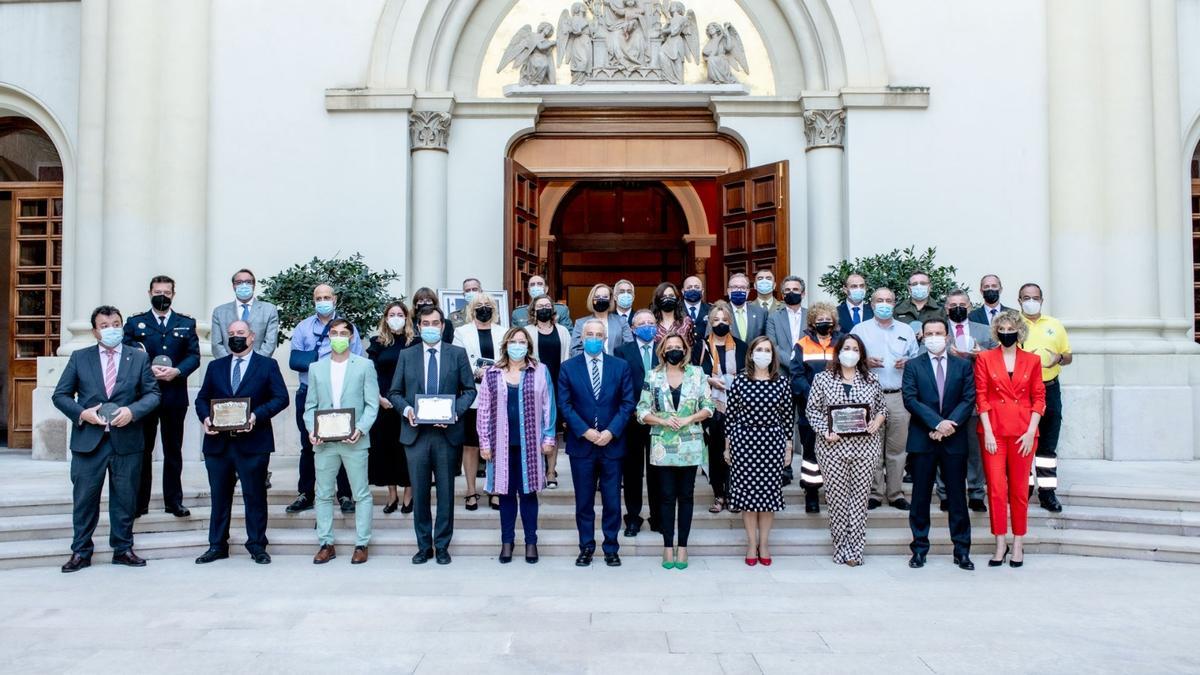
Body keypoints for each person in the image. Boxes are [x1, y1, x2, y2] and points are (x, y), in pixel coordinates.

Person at [53, 306, 161, 573]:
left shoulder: (137, 358)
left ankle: (123, 549)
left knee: (125, 499)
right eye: (104, 325)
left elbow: (153, 395)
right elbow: (61, 395)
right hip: (89, 442)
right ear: (95, 331)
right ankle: (81, 551)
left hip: (127, 442)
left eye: (115, 323)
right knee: (85, 500)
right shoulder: (80, 358)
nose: (111, 328)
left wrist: (132, 411)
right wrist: (83, 414)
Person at [387, 305, 477, 565]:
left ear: (442, 326)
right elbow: (394, 393)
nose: (430, 327)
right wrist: (406, 410)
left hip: (447, 435)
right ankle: (424, 546)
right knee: (421, 492)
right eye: (425, 323)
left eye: (435, 323)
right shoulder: (407, 355)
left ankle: (443, 545)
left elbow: (469, 391)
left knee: (446, 493)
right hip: (416, 434)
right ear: (418, 327)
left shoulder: (457, 354)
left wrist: (453, 413)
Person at [193, 320, 289, 565]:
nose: (236, 337)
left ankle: (257, 545)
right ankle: (217, 545)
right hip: (218, 445)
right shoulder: (215, 367)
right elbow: (202, 399)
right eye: (232, 333)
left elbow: (281, 398)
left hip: (253, 443)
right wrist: (205, 418)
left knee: (255, 496)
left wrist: (256, 415)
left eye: (241, 333)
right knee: (219, 497)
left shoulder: (267, 365)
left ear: (252, 336)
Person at [558, 317, 636, 567]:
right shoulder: (568, 367)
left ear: (605, 339)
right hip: (582, 445)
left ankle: (611, 548)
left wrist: (611, 431)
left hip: (612, 444)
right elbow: (565, 404)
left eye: (597, 335)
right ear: (582, 338)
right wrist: (585, 431)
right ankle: (586, 547)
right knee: (584, 501)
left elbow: (627, 403)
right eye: (588, 334)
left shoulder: (620, 366)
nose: (593, 339)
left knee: (612, 500)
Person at [805, 334, 887, 567]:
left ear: (861, 354)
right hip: (832, 448)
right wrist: (825, 430)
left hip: (865, 448)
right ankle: (840, 546)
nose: (850, 352)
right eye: (846, 348)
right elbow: (812, 411)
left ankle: (855, 549)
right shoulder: (823, 379)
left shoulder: (871, 379)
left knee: (859, 500)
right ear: (838, 351)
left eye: (855, 349)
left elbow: (882, 408)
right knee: (837, 499)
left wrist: (877, 422)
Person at [902, 318, 977, 571]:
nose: (934, 337)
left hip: (954, 440)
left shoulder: (963, 365)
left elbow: (969, 399)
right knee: (921, 497)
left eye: (939, 332)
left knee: (957, 496)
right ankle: (919, 549)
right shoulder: (913, 366)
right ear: (922, 337)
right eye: (929, 333)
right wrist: (936, 424)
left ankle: (962, 550)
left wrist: (949, 425)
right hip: (923, 439)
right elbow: (911, 399)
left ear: (948, 336)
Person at [476, 328, 557, 564]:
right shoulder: (492, 373)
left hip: (530, 445)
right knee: (506, 495)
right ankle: (507, 542)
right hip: (501, 445)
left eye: (522, 342)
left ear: (528, 346)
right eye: (514, 341)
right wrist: (484, 442)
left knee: (529, 494)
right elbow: (483, 411)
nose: (518, 345)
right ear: (506, 345)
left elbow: (548, 406)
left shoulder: (540, 371)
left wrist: (549, 438)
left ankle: (531, 542)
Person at [123, 275, 200, 519]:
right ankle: (139, 502)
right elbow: (126, 351)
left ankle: (173, 502)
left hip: (174, 395)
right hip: (144, 396)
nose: (162, 296)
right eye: (158, 292)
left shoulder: (185, 323)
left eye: (167, 292)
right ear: (149, 293)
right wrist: (147, 369)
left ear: (173, 295)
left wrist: (178, 371)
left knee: (173, 451)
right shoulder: (136, 323)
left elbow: (194, 355)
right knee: (143, 450)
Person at [304, 318, 379, 565]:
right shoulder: (316, 368)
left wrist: (361, 428)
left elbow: (371, 404)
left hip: (354, 440)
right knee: (323, 494)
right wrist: (311, 429)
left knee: (361, 493)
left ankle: (362, 543)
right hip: (324, 442)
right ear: (328, 337)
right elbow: (310, 406)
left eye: (343, 333)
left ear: (351, 337)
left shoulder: (365, 366)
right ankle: (326, 543)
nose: (338, 337)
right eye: (333, 333)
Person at [637, 333, 714, 569]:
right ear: (662, 351)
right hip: (662, 446)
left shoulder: (697, 374)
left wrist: (689, 418)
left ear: (685, 349)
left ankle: (683, 547)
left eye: (678, 346)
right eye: (669, 347)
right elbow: (641, 411)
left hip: (690, 444)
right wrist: (661, 421)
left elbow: (709, 406)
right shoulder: (653, 375)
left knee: (686, 496)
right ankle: (667, 546)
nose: (674, 350)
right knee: (666, 497)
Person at [975, 310, 1045, 568]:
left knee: (1018, 490)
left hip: (1024, 432)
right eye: (1002, 330)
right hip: (993, 431)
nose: (1006, 334)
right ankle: (999, 542)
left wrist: (1030, 431)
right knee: (995, 489)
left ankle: (1018, 542)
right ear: (996, 331)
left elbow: (1039, 397)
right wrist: (989, 432)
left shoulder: (1033, 360)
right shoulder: (985, 358)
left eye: (1010, 329)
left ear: (1019, 331)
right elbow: (981, 396)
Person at [285, 284, 360, 515]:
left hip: (340, 394)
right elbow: (295, 359)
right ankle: (306, 493)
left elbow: (357, 360)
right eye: (319, 298)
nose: (323, 301)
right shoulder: (303, 327)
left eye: (327, 297)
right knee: (309, 444)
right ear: (313, 300)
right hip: (310, 392)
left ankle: (345, 494)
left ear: (335, 299)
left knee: (344, 443)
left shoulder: (348, 328)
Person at [850, 287, 918, 511]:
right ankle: (875, 493)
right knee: (872, 448)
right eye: (880, 300)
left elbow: (917, 360)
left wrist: (908, 362)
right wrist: (864, 362)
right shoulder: (860, 329)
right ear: (871, 304)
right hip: (869, 396)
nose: (884, 304)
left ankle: (896, 493)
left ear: (895, 303)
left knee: (897, 449)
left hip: (898, 396)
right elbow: (848, 360)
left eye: (889, 300)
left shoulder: (906, 330)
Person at [725, 336, 791, 566]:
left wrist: (788, 448)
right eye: (759, 349)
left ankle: (764, 543)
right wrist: (728, 446)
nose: (763, 353)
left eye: (767, 350)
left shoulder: (781, 382)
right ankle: (751, 543)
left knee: (768, 498)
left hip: (772, 443)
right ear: (751, 353)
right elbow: (731, 416)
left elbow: (787, 418)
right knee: (748, 498)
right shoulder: (740, 381)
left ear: (773, 355)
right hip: (744, 442)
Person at [939, 288, 996, 512]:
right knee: (946, 448)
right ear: (946, 309)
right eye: (952, 306)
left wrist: (981, 354)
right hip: (946, 398)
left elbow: (999, 358)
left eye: (962, 304)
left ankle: (976, 492)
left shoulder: (985, 331)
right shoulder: (939, 331)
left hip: (975, 398)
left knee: (975, 449)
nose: (958, 309)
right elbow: (925, 356)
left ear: (970, 306)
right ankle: (945, 493)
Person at [1019, 283, 1071, 513]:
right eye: (1026, 297)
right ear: (1019, 300)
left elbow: (1068, 356)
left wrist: (1059, 357)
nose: (1031, 301)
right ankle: (1024, 489)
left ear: (1042, 299)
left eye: (1035, 297)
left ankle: (1047, 493)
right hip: (1022, 391)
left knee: (1048, 445)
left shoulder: (1055, 324)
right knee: (1023, 442)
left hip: (1050, 388)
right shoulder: (1014, 324)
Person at [789, 302, 844, 513]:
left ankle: (835, 493)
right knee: (811, 453)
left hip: (838, 407)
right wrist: (814, 394)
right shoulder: (802, 344)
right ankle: (811, 493)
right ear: (812, 321)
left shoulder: (843, 342)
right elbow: (797, 375)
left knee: (837, 451)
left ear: (834, 321)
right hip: (809, 409)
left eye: (827, 318)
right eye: (819, 319)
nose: (824, 322)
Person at [453, 292, 503, 511]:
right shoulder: (461, 332)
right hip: (472, 394)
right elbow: (458, 359)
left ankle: (494, 489)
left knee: (496, 444)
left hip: (499, 395)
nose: (484, 308)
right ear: (471, 310)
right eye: (479, 305)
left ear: (494, 308)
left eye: (488, 304)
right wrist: (476, 371)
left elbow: (511, 358)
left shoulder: (504, 331)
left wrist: (494, 371)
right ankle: (471, 490)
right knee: (472, 446)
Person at [695, 302, 746, 514]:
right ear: (709, 323)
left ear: (730, 323)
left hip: (739, 406)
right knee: (716, 452)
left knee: (736, 451)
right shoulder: (701, 346)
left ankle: (734, 492)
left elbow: (748, 373)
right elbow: (694, 374)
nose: (720, 324)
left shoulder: (742, 346)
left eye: (725, 320)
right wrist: (710, 380)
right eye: (716, 320)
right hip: (712, 407)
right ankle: (718, 494)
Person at [368, 302, 417, 514]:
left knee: (406, 450)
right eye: (391, 314)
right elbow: (370, 375)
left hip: (407, 406)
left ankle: (408, 493)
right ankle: (392, 495)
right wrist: (378, 398)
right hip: (383, 404)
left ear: (406, 317)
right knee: (385, 450)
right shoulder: (377, 342)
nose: (395, 317)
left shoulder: (415, 342)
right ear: (385, 318)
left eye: (399, 314)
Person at [615, 309, 661, 535]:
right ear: (632, 328)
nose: (646, 326)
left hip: (659, 422)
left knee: (657, 471)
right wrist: (633, 411)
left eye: (651, 322)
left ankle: (658, 516)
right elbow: (620, 386)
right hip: (632, 421)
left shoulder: (665, 350)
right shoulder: (622, 352)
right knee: (632, 472)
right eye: (641, 323)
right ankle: (633, 517)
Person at [523, 294, 570, 488]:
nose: (544, 308)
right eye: (540, 306)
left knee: (553, 429)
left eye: (547, 305)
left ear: (553, 310)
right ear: (533, 310)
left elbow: (567, 357)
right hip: (534, 386)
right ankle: (537, 467)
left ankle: (551, 471)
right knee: (535, 427)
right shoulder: (526, 331)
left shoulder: (563, 331)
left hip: (558, 385)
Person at [210, 268, 280, 358]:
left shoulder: (269, 310)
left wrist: (255, 364)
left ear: (254, 285)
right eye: (239, 282)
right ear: (233, 286)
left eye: (248, 282)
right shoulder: (219, 312)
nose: (244, 285)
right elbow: (216, 344)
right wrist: (228, 364)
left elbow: (270, 342)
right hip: (227, 366)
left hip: (258, 366)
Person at [569, 283, 633, 356]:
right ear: (592, 299)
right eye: (597, 296)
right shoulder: (580, 323)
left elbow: (630, 347)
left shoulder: (621, 321)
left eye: (605, 297)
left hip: (616, 365)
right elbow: (574, 350)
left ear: (610, 300)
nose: (601, 299)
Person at [766, 275, 808, 363]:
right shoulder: (773, 317)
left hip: (807, 369)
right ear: (783, 295)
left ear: (803, 294)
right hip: (782, 370)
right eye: (787, 290)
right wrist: (792, 364)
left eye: (795, 289)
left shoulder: (811, 316)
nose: (791, 292)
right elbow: (773, 345)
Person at [727, 272, 767, 342]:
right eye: (734, 287)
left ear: (748, 291)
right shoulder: (720, 312)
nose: (738, 290)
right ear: (728, 291)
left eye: (743, 287)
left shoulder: (760, 313)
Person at [681, 275, 710, 342]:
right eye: (689, 287)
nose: (693, 289)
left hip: (703, 350)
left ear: (702, 291)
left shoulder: (710, 310)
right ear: (683, 291)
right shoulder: (676, 309)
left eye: (697, 287)